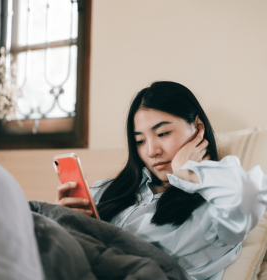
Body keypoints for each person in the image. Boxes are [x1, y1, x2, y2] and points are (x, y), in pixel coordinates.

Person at [55, 81, 267, 280]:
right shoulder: (106, 191)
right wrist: (66, 221)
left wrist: (188, 171)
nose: (151, 151)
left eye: (163, 133)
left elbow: (248, 194)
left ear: (198, 126)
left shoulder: (214, 211)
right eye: (140, 140)